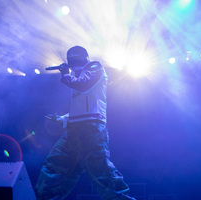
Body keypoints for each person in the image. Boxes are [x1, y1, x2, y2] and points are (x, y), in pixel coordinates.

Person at [36, 46, 135, 200]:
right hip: (72, 131)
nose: (70, 62)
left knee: (103, 174)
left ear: (81, 57)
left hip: (92, 130)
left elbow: (84, 86)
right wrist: (62, 118)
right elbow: (80, 109)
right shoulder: (75, 78)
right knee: (52, 169)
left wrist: (65, 75)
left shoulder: (95, 68)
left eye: (72, 59)